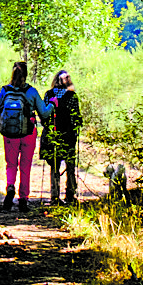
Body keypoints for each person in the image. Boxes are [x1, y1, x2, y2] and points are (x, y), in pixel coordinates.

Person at [0, 61, 44, 212]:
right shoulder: (31, 91)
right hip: (28, 134)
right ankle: (23, 199)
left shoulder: (5, 91)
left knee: (11, 164)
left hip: (10, 134)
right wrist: (52, 105)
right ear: (26, 74)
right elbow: (44, 112)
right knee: (25, 166)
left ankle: (10, 187)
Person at [41, 69, 80, 204]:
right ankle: (70, 193)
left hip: (53, 134)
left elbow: (44, 115)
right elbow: (77, 118)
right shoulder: (72, 96)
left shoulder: (49, 94)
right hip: (68, 135)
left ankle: (54, 195)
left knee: (54, 166)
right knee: (70, 166)